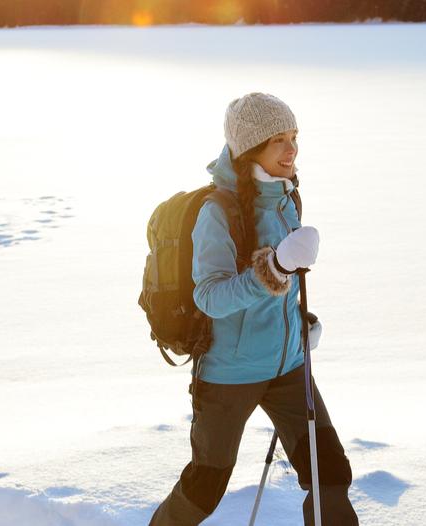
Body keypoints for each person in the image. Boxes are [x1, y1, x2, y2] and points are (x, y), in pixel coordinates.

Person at [150, 93, 359, 526]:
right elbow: (210, 296)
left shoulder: (286, 199)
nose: (291, 149)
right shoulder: (217, 213)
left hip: (288, 368)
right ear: (250, 150)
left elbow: (279, 292)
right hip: (229, 375)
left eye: (294, 136)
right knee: (204, 488)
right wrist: (276, 267)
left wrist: (296, 325)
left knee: (331, 476)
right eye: (277, 140)